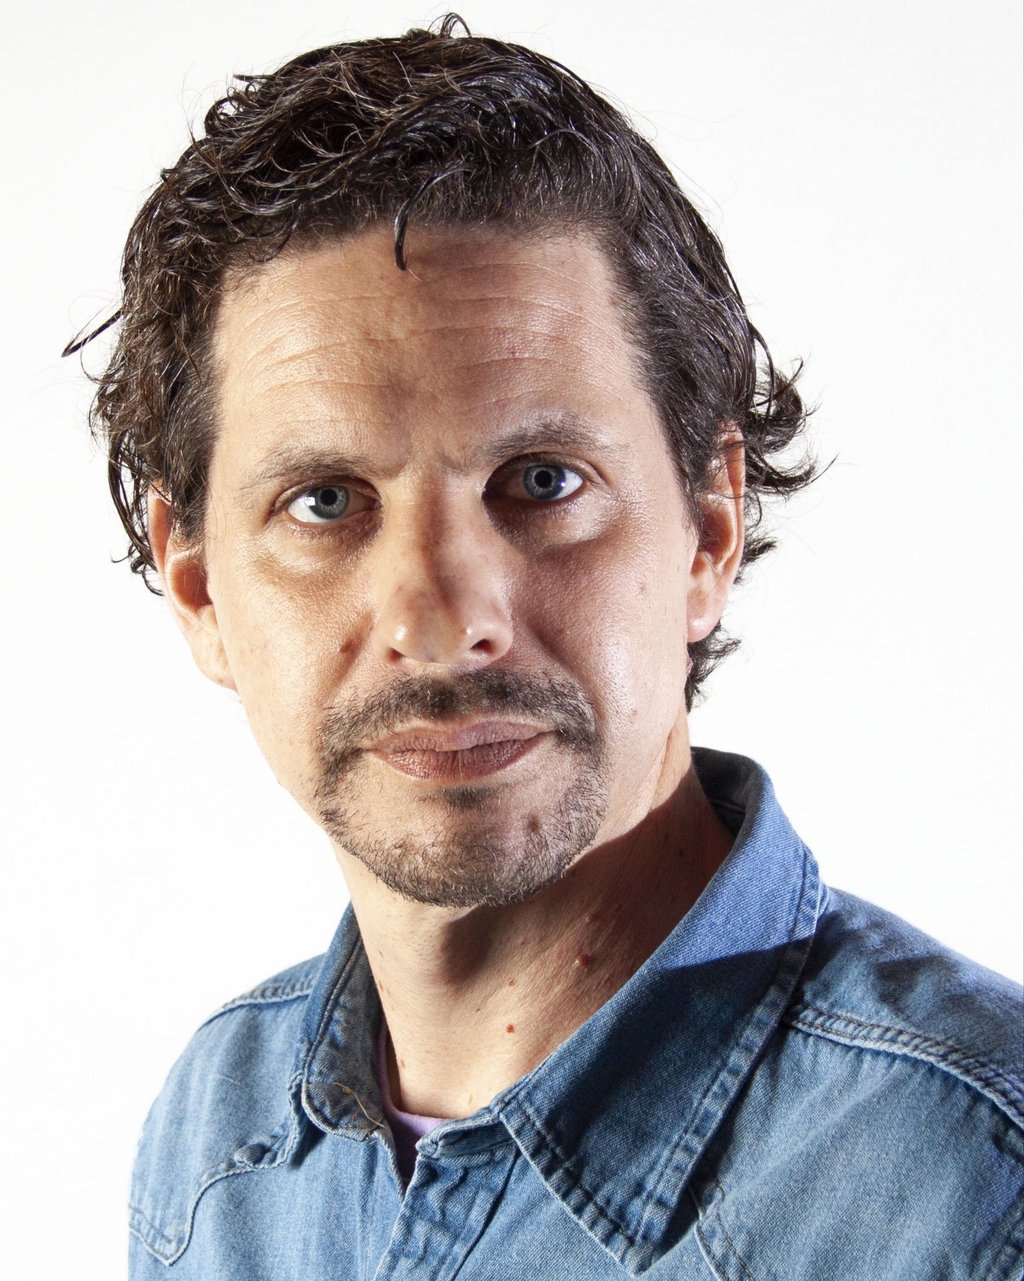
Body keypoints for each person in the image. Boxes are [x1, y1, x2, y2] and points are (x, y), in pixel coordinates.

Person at [71, 17, 1022, 1280]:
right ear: (198, 586)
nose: (437, 617)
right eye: (324, 502)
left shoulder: (972, 1191)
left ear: (708, 531)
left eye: (541, 480)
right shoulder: (219, 1137)